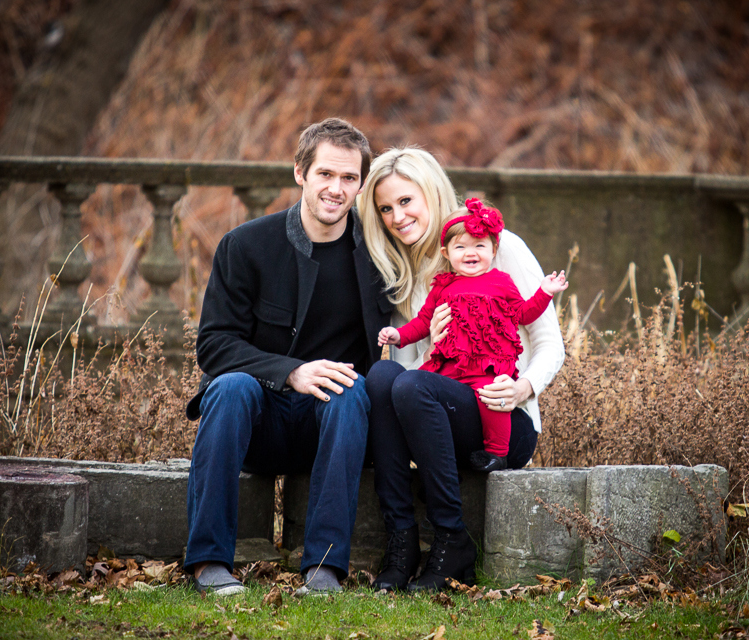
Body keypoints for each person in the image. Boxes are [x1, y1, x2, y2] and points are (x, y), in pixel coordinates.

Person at [183, 118, 392, 596]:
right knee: (230, 385)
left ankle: (323, 568)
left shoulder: (379, 255)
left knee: (352, 388)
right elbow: (214, 345)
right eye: (325, 174)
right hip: (256, 419)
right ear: (300, 173)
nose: (336, 189)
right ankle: (209, 562)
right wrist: (291, 372)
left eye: (348, 178)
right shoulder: (247, 245)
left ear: (360, 185)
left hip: (336, 426)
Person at [357, 147, 566, 592]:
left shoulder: (496, 246)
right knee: (380, 378)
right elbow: (412, 380)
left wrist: (522, 389)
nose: (397, 216)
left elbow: (550, 342)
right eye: (386, 208)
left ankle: (453, 541)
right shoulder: (406, 271)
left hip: (503, 418)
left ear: (431, 192)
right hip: (445, 413)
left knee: (407, 383)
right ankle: (402, 540)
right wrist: (429, 334)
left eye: (406, 200)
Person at [377, 198, 568, 473]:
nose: (471, 253)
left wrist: (544, 292)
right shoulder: (442, 286)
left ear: (494, 249)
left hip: (486, 363)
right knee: (426, 397)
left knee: (492, 400)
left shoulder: (502, 281)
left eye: (480, 246)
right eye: (461, 247)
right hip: (450, 367)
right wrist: (398, 335)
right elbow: (423, 322)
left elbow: (524, 313)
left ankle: (496, 454)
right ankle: (436, 471)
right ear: (446, 253)